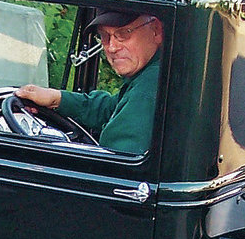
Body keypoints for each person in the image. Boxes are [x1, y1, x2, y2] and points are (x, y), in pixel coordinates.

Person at [15, 11, 163, 154]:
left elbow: (117, 164)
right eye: (105, 36)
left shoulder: (150, 86)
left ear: (156, 30)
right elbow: (111, 108)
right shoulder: (152, 74)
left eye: (124, 34)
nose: (112, 47)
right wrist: (57, 99)